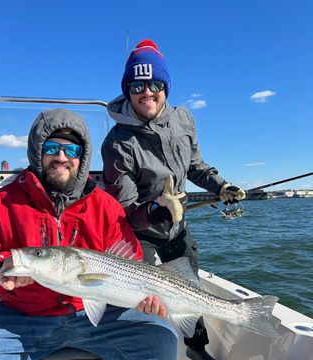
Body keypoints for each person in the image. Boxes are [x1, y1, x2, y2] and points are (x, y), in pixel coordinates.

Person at [0, 109, 177, 360]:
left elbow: (131, 262)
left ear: (82, 158)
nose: (61, 157)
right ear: (37, 151)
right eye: (51, 148)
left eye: (71, 151)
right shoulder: (0, 203)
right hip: (18, 316)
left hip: (98, 314)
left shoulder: (106, 206)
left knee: (162, 341)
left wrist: (143, 298)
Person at [101, 39, 246, 360]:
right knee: (146, 301)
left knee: (190, 290)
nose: (147, 92)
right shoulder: (117, 142)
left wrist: (221, 187)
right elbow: (124, 209)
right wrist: (157, 208)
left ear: (165, 87)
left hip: (178, 229)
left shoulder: (183, 120)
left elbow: (195, 165)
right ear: (128, 90)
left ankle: (195, 350)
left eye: (155, 83)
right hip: (141, 236)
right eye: (138, 85)